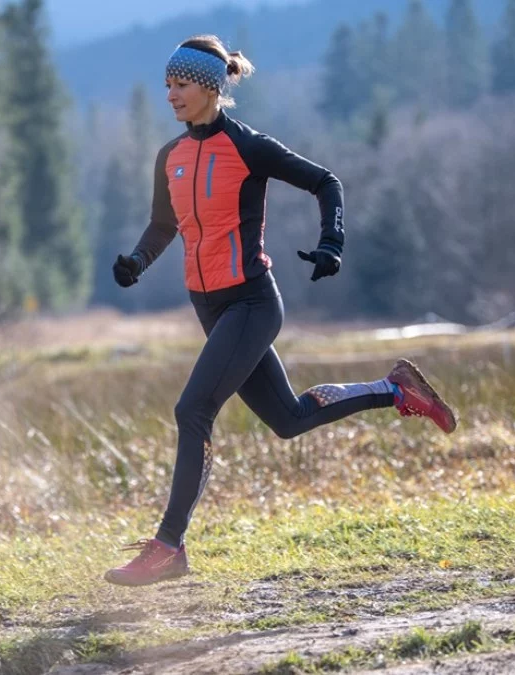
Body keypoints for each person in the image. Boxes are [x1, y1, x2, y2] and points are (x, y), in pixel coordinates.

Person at [104, 35, 458, 587]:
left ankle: (169, 545)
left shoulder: (247, 147)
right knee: (289, 420)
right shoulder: (169, 156)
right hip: (211, 309)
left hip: (251, 301)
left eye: (179, 84)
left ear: (208, 86)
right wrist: (137, 261)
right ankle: (395, 389)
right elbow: (164, 224)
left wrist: (332, 242)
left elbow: (326, 182)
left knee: (192, 410)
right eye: (167, 84)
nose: (169, 94)